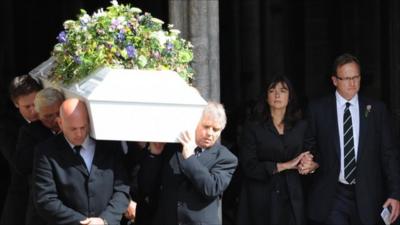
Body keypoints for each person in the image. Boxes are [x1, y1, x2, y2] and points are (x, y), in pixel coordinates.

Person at [304, 53, 400, 225]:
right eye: (346, 78)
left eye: (356, 77)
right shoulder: (318, 109)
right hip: (333, 193)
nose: (353, 83)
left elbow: (389, 154)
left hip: (368, 193)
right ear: (335, 81)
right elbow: (311, 147)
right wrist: (311, 163)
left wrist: (395, 193)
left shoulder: (376, 109)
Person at [32, 98, 130, 225]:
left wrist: (105, 220)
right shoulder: (46, 152)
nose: (79, 134)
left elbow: (122, 188)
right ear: (60, 123)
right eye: (73, 129)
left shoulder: (109, 146)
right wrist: (83, 223)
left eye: (83, 127)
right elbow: (45, 199)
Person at [138, 102, 238, 225]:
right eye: (206, 127)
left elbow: (211, 188)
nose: (210, 133)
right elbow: (147, 185)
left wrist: (189, 157)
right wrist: (155, 154)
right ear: (195, 124)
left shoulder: (226, 158)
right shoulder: (172, 148)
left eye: (216, 129)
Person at [237, 75, 315, 225]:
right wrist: (285, 165)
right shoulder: (253, 127)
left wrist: (310, 164)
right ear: (266, 97)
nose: (277, 95)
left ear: (290, 96)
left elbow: (312, 153)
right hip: (261, 199)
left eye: (283, 90)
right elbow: (248, 166)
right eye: (272, 91)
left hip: (292, 196)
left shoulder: (302, 126)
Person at [15, 87, 65, 225]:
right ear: (38, 114)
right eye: (48, 116)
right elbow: (22, 166)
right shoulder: (29, 132)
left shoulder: (73, 129)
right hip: (42, 202)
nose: (55, 120)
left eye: (58, 113)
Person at [0, 74, 42, 225]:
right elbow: (19, 164)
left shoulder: (50, 117)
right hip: (22, 195)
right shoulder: (7, 127)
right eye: (27, 107)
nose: (33, 111)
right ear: (16, 104)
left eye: (36, 103)